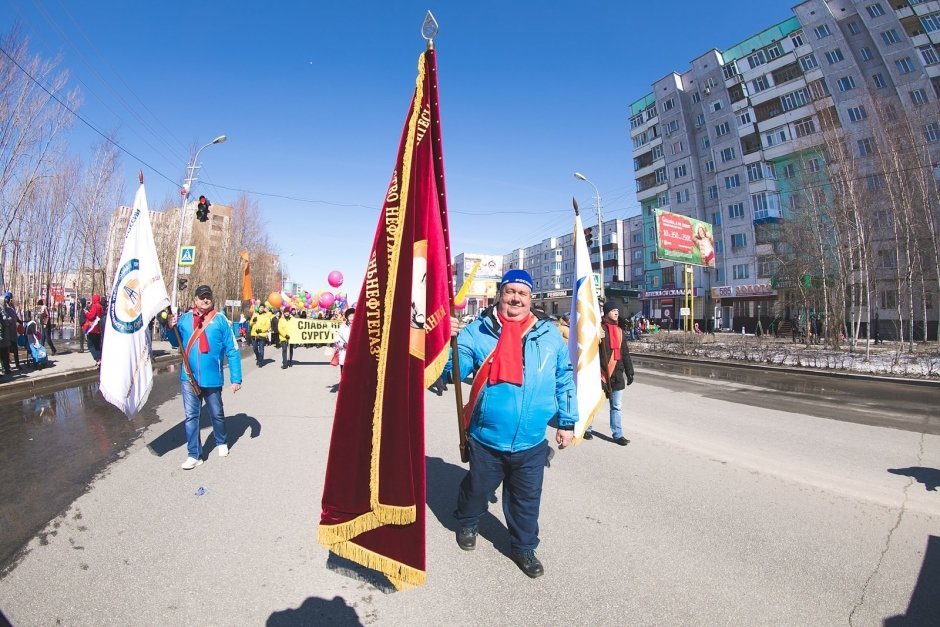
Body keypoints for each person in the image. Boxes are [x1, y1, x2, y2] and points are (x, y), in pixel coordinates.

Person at [445, 269, 577, 579]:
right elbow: (454, 370)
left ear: (530, 299)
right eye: (510, 291)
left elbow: (564, 377)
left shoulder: (548, 335)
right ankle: (468, 522)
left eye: (523, 293)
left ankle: (523, 546)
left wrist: (568, 421)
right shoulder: (476, 332)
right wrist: (444, 341)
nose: (516, 297)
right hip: (486, 438)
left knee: (527, 500)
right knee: (477, 489)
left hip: (531, 441)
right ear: (500, 295)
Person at [166, 284, 242, 470]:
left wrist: (236, 378)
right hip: (188, 377)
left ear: (212, 299)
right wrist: (169, 327)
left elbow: (232, 350)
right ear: (195, 300)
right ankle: (194, 454)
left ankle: (221, 441)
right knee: (192, 416)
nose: (205, 300)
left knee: (216, 413)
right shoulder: (183, 320)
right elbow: (175, 342)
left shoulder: (221, 320)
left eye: (208, 297)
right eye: (202, 297)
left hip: (212, 377)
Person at [583, 300, 633, 446]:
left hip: (617, 375)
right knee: (594, 403)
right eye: (613, 310)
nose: (616, 312)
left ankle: (618, 435)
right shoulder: (599, 330)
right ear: (606, 312)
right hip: (601, 375)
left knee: (616, 406)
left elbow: (625, 353)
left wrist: (630, 371)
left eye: (617, 310)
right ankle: (587, 428)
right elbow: (591, 353)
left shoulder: (620, 331)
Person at [3, 292, 23, 371]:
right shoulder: (4, 307)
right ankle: (7, 365)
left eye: (11, 298)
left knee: (15, 348)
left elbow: (15, 316)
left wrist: (19, 321)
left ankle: (17, 364)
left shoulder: (12, 307)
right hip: (7, 332)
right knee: (7, 350)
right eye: (9, 298)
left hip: (13, 331)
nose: (11, 300)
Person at [84, 294, 104, 365]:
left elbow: (91, 316)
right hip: (99, 328)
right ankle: (100, 359)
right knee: (97, 345)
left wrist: (86, 313)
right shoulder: (101, 307)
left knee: (90, 345)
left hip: (93, 328)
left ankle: (97, 359)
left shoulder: (95, 306)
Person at [335, 307, 355, 374]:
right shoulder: (342, 327)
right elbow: (336, 340)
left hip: (356, 355)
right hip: (344, 354)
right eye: (350, 316)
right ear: (347, 317)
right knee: (344, 374)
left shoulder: (360, 326)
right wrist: (343, 345)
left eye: (354, 316)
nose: (352, 318)